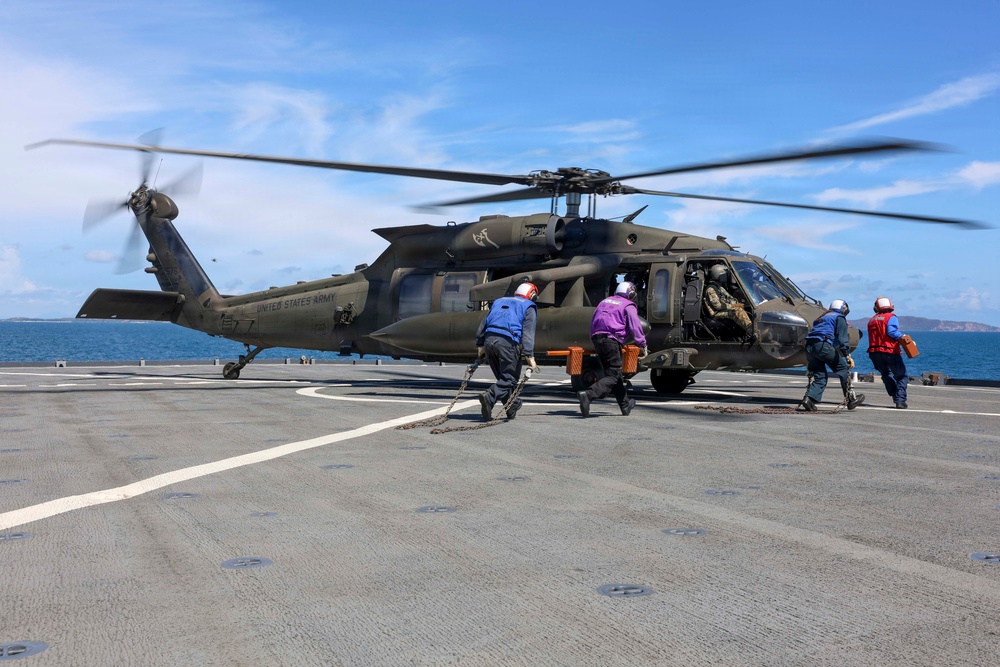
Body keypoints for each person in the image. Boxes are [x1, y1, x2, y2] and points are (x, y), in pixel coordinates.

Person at [578, 281, 648, 417]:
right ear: (631, 293)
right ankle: (588, 394)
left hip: (597, 340)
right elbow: (636, 326)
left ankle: (625, 404)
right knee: (614, 375)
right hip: (611, 341)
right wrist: (642, 344)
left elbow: (593, 321)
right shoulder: (628, 305)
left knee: (613, 374)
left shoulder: (604, 302)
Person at [475, 282, 539, 421]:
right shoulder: (529, 307)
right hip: (507, 343)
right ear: (532, 295)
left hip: (489, 341)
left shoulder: (499, 301)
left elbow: (484, 323)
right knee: (509, 379)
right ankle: (490, 396)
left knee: (503, 379)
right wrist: (529, 355)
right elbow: (528, 333)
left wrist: (480, 344)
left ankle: (512, 407)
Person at [799, 299, 865, 412]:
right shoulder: (839, 318)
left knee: (820, 376)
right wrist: (847, 355)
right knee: (843, 368)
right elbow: (842, 338)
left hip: (810, 347)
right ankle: (850, 399)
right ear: (843, 308)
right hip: (822, 345)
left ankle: (809, 399)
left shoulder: (821, 318)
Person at [867, 296, 909, 409]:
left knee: (886, 374)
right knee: (902, 376)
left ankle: (896, 396)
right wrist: (903, 337)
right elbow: (891, 332)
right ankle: (900, 400)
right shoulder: (891, 317)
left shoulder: (872, 319)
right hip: (889, 351)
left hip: (874, 352)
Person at [703, 265, 752, 331]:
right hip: (717, 313)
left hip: (723, 310)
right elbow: (718, 306)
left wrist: (740, 303)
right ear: (719, 275)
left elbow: (729, 298)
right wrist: (734, 306)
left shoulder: (719, 287)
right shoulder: (711, 289)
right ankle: (750, 330)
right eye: (725, 275)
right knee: (738, 311)